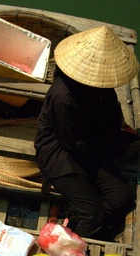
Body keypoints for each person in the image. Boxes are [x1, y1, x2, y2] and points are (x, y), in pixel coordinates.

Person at [34, 26, 140, 241]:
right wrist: (117, 142)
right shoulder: (63, 96)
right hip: (61, 153)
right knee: (91, 214)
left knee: (123, 198)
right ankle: (78, 238)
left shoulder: (103, 87)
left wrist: (120, 136)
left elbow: (111, 119)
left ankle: (77, 223)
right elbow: (75, 144)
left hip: (91, 147)